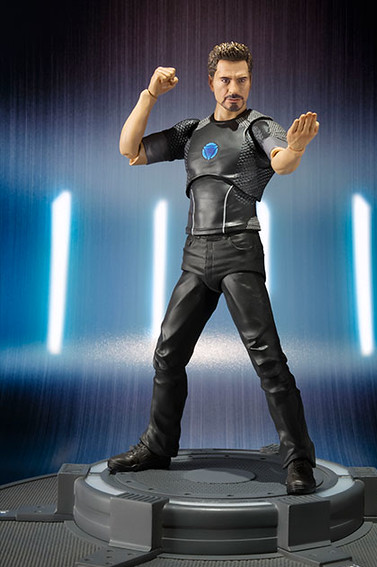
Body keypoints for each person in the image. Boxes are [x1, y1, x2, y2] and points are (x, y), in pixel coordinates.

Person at [108, 42, 319, 494]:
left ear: (250, 80)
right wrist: (149, 95)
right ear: (212, 82)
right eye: (225, 79)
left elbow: (282, 162)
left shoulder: (258, 127)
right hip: (194, 255)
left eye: (241, 79)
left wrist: (297, 149)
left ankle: (299, 459)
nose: (233, 88)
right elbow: (130, 150)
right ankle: (158, 446)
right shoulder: (192, 131)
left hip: (239, 253)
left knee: (268, 359)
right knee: (167, 354)